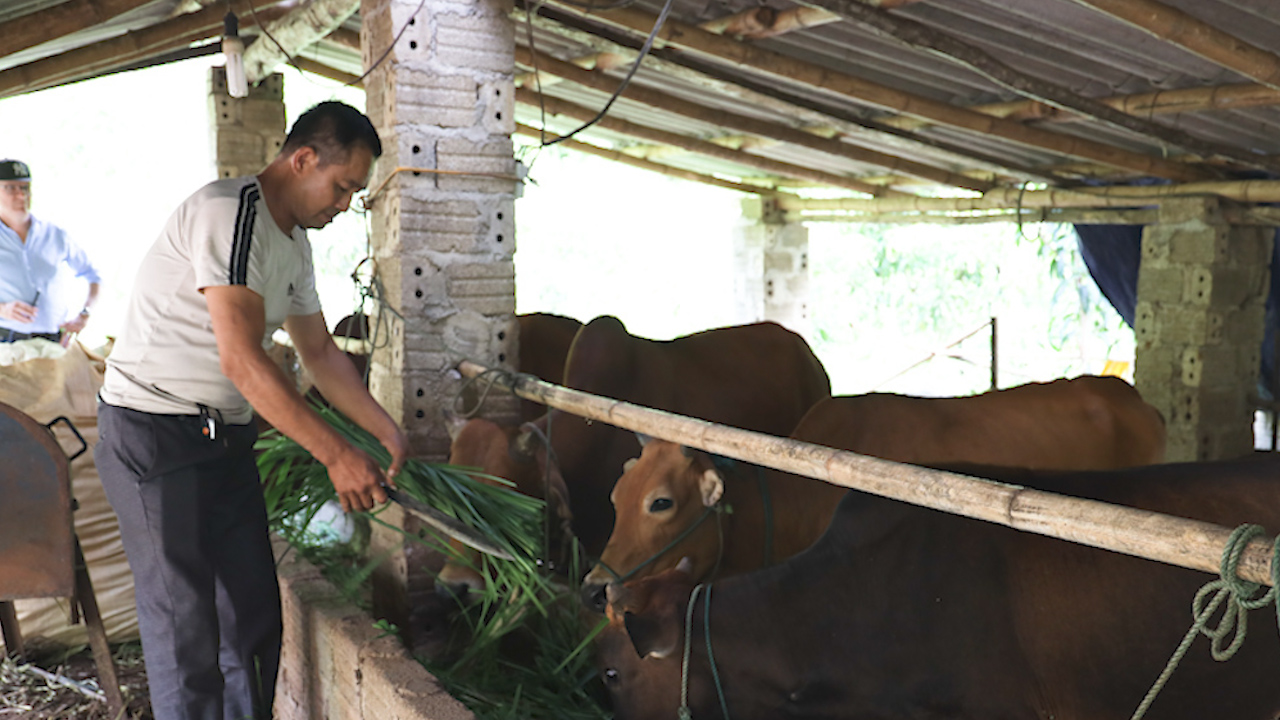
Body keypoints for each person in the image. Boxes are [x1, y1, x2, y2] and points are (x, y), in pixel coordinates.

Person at [95, 102, 409, 720]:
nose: (345, 204)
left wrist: (386, 431)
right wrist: (338, 455)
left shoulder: (293, 244)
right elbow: (242, 360)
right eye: (343, 186)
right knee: (185, 625)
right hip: (156, 433)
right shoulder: (231, 213)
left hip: (223, 436)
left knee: (253, 613)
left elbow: (318, 352)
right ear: (303, 159)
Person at [0, 158, 102, 343]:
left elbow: (94, 276)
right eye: (11, 188)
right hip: (6, 345)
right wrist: (3, 309)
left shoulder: (55, 235)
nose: (21, 195)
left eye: (25, 188)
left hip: (54, 345)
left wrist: (85, 314)